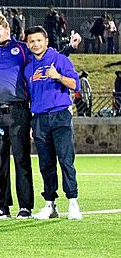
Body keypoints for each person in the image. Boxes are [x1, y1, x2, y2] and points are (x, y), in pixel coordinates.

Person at [23, 25, 82, 221]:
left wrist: (58, 76)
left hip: (60, 115)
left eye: (39, 40)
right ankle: (50, 204)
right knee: (46, 164)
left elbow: (75, 84)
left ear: (46, 41)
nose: (35, 44)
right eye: (31, 41)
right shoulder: (28, 68)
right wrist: (33, 123)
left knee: (66, 160)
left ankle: (73, 202)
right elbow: (31, 96)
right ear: (27, 44)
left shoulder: (60, 59)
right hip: (39, 119)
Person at [0, 13, 35, 219]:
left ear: (7, 29)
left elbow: (37, 66)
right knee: (0, 163)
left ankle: (25, 206)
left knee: (21, 160)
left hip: (19, 111)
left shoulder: (22, 50)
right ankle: (2, 205)